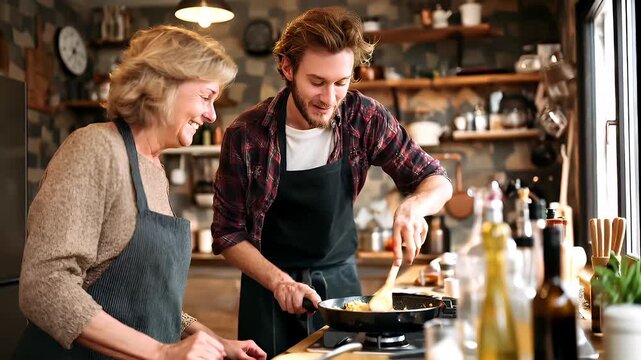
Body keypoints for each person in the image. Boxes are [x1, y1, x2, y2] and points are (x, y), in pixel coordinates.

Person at [212, 7, 453, 358]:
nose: (329, 99)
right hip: (268, 292)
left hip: (342, 294)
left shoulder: (363, 117)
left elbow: (436, 179)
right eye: (317, 82)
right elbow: (227, 234)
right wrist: (280, 282)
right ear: (287, 67)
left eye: (341, 83)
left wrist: (415, 205)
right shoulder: (246, 135)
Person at [14, 25, 266, 360]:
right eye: (206, 97)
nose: (211, 115)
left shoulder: (153, 167)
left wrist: (216, 343)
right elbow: (45, 286)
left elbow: (147, 301)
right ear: (162, 86)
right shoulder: (96, 148)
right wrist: (162, 352)